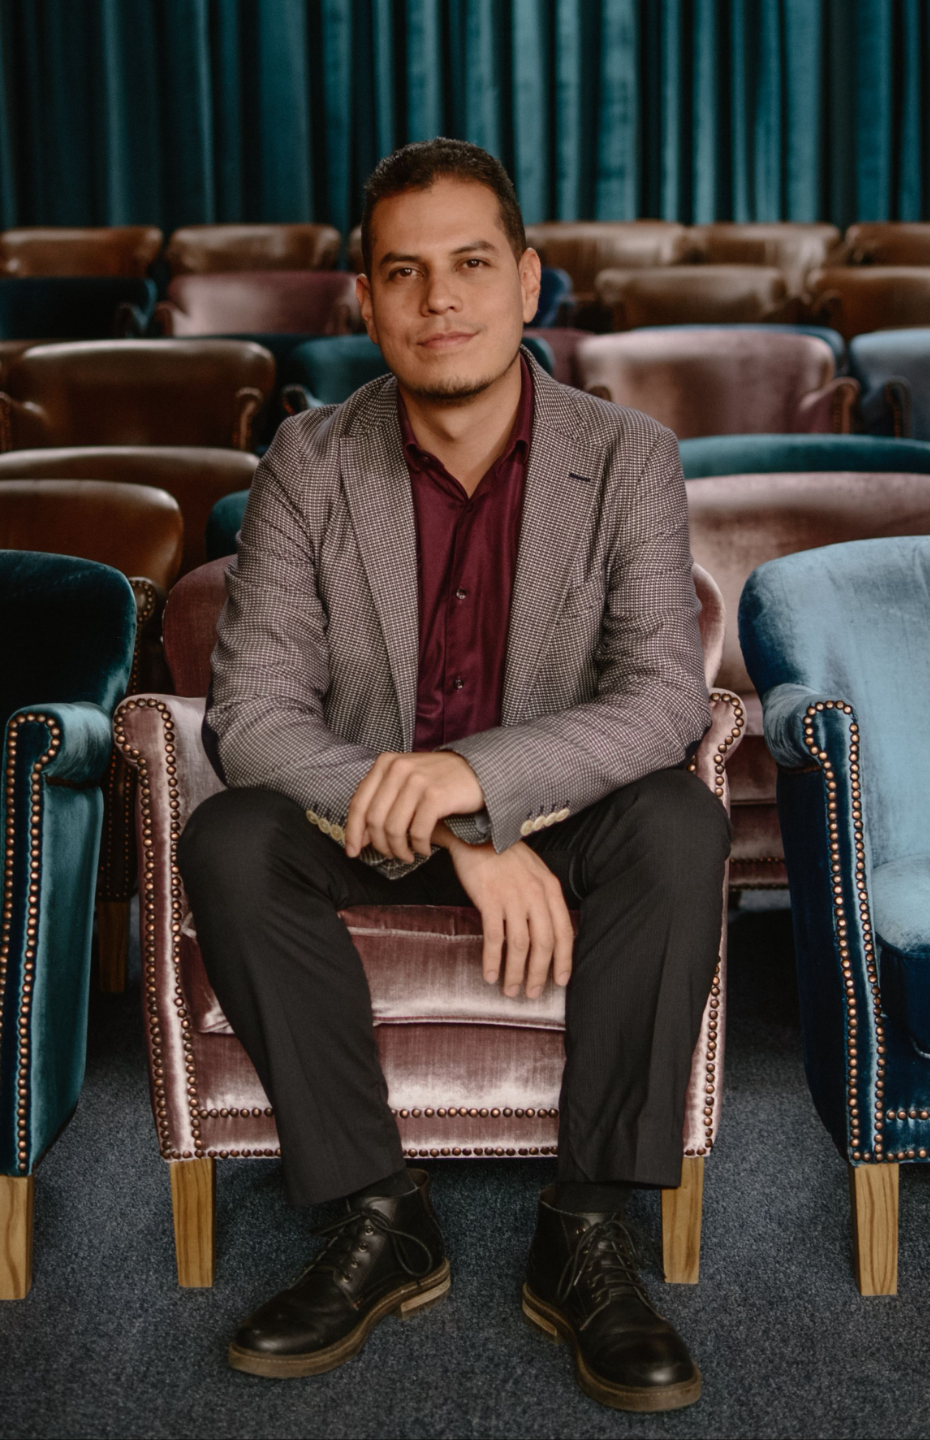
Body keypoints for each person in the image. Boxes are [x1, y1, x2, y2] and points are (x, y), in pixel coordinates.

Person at [180, 137, 729, 1413]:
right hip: (363, 811)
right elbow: (251, 715)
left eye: (472, 264)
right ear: (364, 301)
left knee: (678, 824)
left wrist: (476, 789)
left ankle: (586, 1227)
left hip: (564, 812)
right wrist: (458, 832)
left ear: (527, 282)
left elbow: (661, 697)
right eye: (403, 271)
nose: (439, 300)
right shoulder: (310, 459)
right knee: (232, 837)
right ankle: (379, 1213)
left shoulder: (627, 454)